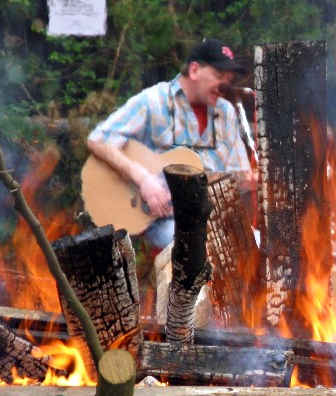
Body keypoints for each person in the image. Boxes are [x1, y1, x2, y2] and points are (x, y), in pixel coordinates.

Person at [87, 38, 255, 250]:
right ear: (194, 70)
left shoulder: (226, 113)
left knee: (256, 244)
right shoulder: (154, 101)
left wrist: (252, 181)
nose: (225, 85)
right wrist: (143, 179)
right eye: (219, 75)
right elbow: (99, 140)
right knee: (200, 247)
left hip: (210, 219)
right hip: (161, 221)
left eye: (229, 79)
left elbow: (239, 176)